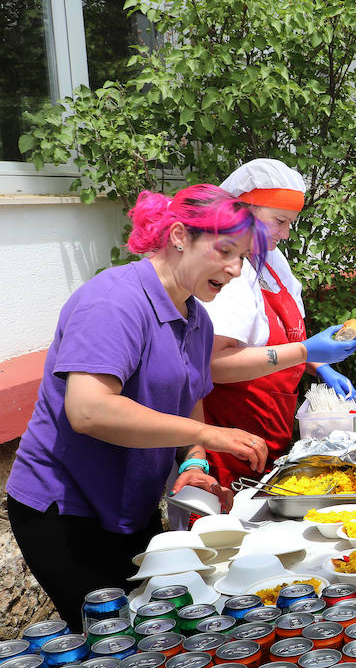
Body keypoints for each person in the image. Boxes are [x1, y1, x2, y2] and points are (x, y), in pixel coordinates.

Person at [6, 185, 270, 627]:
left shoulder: (196, 317)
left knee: (154, 629)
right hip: (65, 508)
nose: (236, 269)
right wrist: (204, 436)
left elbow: (190, 400)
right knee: (113, 640)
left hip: (132, 507)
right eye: (226, 251)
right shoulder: (114, 302)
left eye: (242, 257)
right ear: (180, 236)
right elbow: (88, 410)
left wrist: (196, 462)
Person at [200, 159, 356, 486]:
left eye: (291, 223)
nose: (286, 234)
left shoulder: (272, 261)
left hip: (272, 432)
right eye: (279, 221)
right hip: (231, 439)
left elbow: (280, 341)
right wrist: (305, 352)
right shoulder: (229, 271)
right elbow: (214, 364)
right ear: (243, 211)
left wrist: (319, 364)